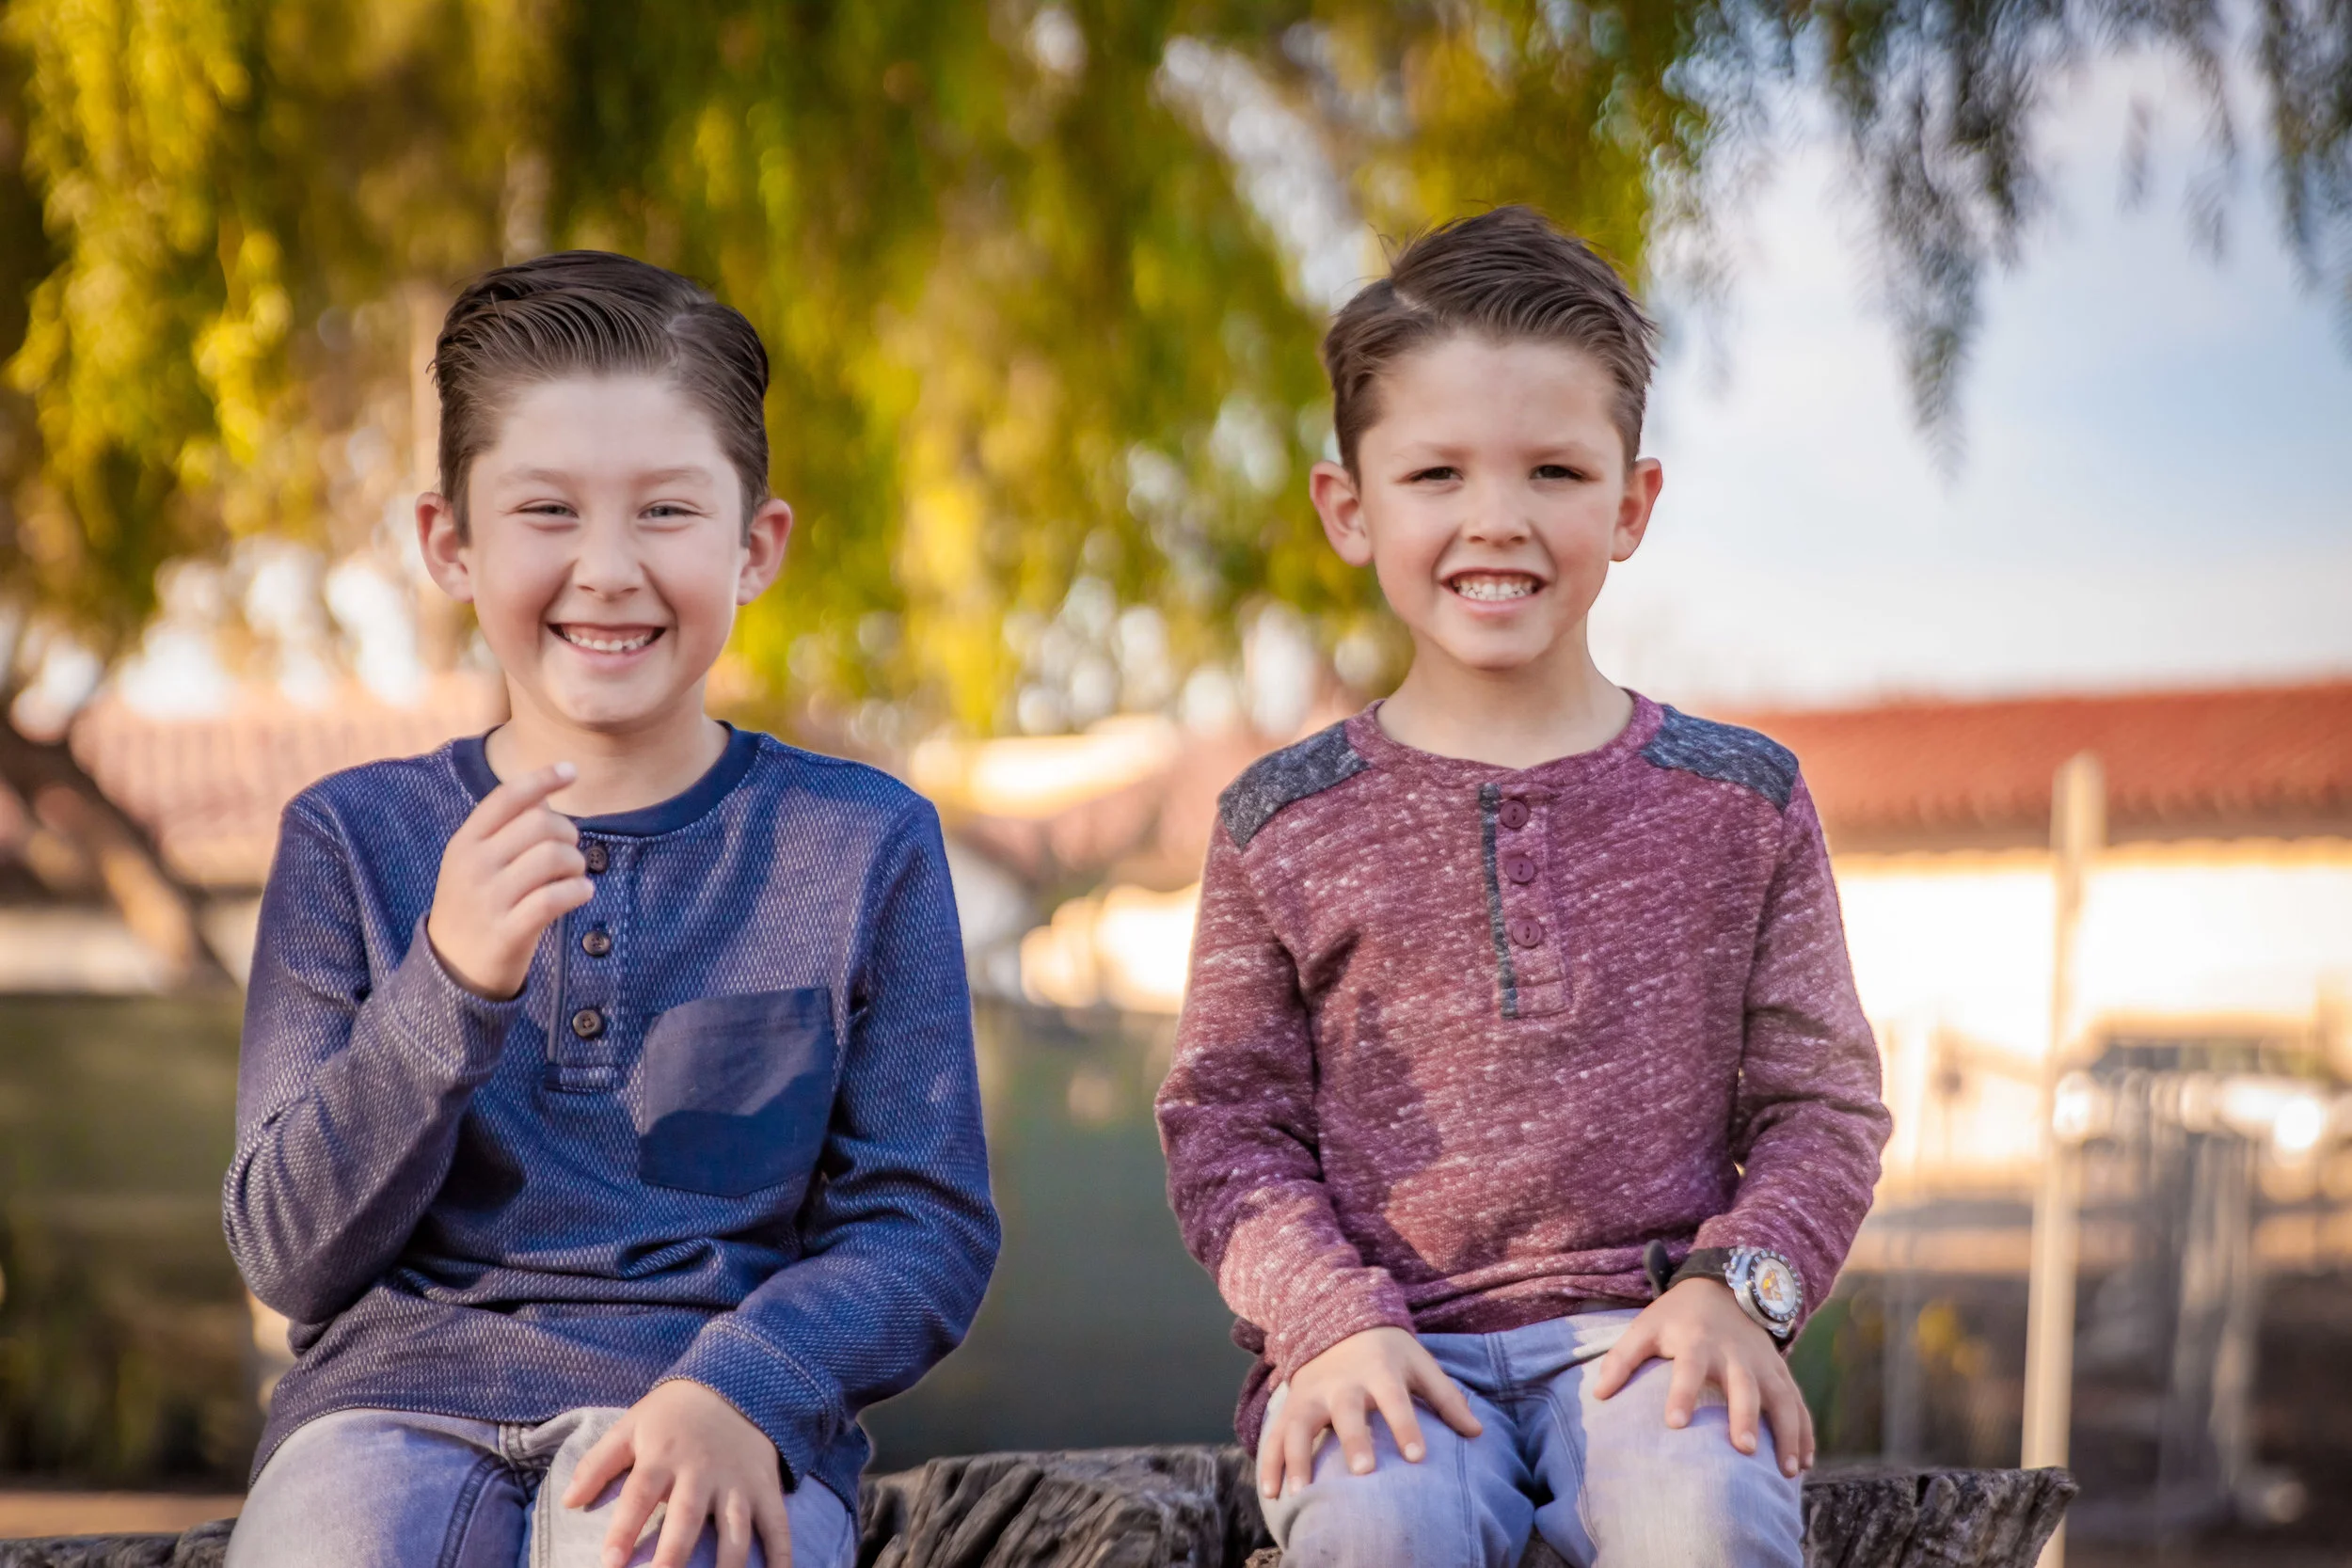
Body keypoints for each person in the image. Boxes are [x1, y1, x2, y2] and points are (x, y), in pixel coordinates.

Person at [222, 252, 998, 1568]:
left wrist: (746, 1383)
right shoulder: (351, 841)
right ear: (450, 544)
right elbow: (287, 1251)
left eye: (666, 511)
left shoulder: (862, 845)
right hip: (381, 1416)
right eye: (546, 510)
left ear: (755, 547)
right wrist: (446, 985)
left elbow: (924, 1225)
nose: (607, 568)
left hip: (712, 1406)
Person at [1154, 207, 1893, 1568]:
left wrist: (1742, 1292)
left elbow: (1823, 1105)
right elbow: (1226, 1129)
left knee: (1706, 1513)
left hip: (1653, 1340)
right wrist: (1325, 1320)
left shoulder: (1746, 801)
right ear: (1350, 507)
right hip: (1382, 1350)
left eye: (1554, 470)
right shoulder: (1280, 823)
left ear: (1631, 505)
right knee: (1378, 1526)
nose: (1495, 519)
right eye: (1436, 473)